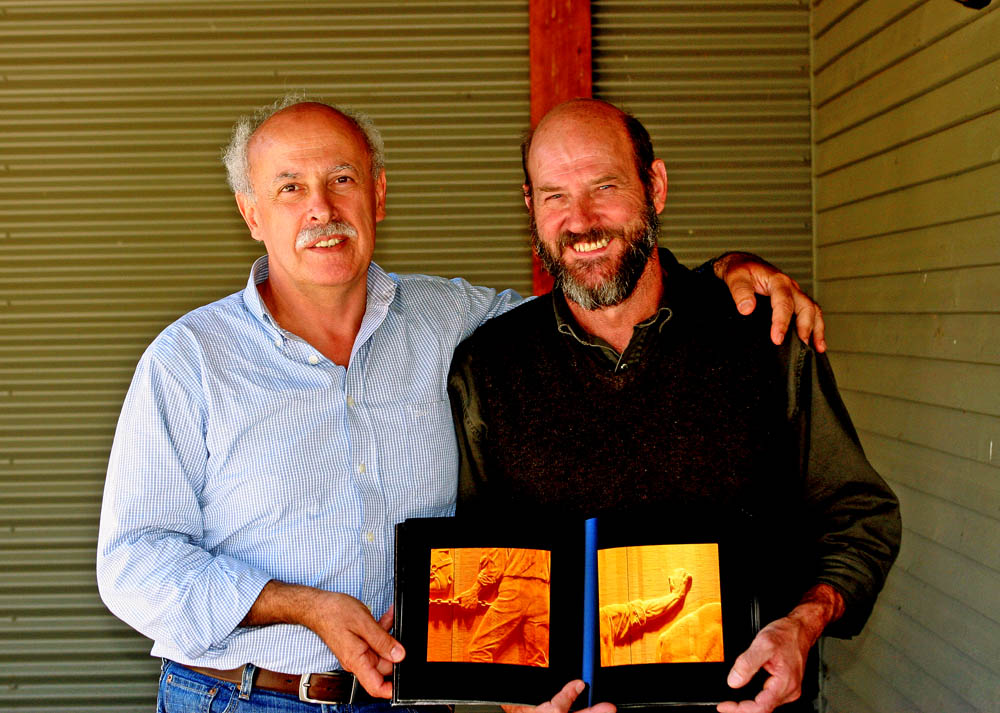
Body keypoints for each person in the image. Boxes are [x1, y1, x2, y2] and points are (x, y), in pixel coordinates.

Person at [96, 95, 827, 712]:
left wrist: (723, 278)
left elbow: (601, 286)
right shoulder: (188, 361)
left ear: (378, 193)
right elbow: (131, 563)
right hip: (244, 694)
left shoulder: (456, 321)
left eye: (341, 178)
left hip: (413, 698)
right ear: (250, 212)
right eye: (289, 186)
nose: (321, 207)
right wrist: (301, 603)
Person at [448, 99, 901, 713]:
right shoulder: (489, 366)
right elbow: (487, 575)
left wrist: (804, 624)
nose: (580, 221)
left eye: (603, 187)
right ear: (530, 207)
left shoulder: (761, 335)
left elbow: (858, 516)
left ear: (654, 187)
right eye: (554, 196)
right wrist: (519, 703)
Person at [457, 548, 552, 666]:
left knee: (479, 651)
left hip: (514, 591)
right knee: (538, 661)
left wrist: (474, 591)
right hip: (543, 595)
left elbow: (494, 566)